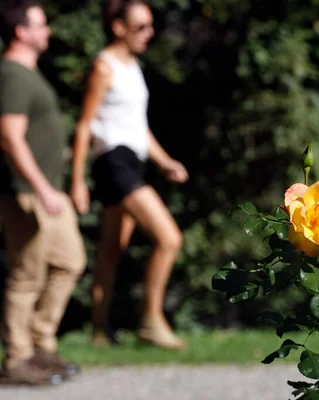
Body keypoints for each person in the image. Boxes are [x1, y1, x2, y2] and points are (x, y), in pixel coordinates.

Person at [70, 0, 188, 350]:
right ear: (118, 27)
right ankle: (151, 321)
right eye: (141, 27)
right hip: (113, 161)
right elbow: (84, 125)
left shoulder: (132, 67)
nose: (149, 33)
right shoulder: (104, 67)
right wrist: (77, 180)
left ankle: (98, 331)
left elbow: (138, 128)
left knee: (111, 250)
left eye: (151, 26)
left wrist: (165, 161)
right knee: (169, 238)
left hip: (131, 159)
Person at [0, 0, 86, 385]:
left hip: (49, 191)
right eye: (41, 24)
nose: (47, 31)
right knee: (26, 276)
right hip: (28, 192)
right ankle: (17, 359)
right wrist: (40, 189)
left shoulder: (28, 73)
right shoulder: (13, 74)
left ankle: (39, 346)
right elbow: (9, 137)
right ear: (21, 31)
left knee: (70, 262)